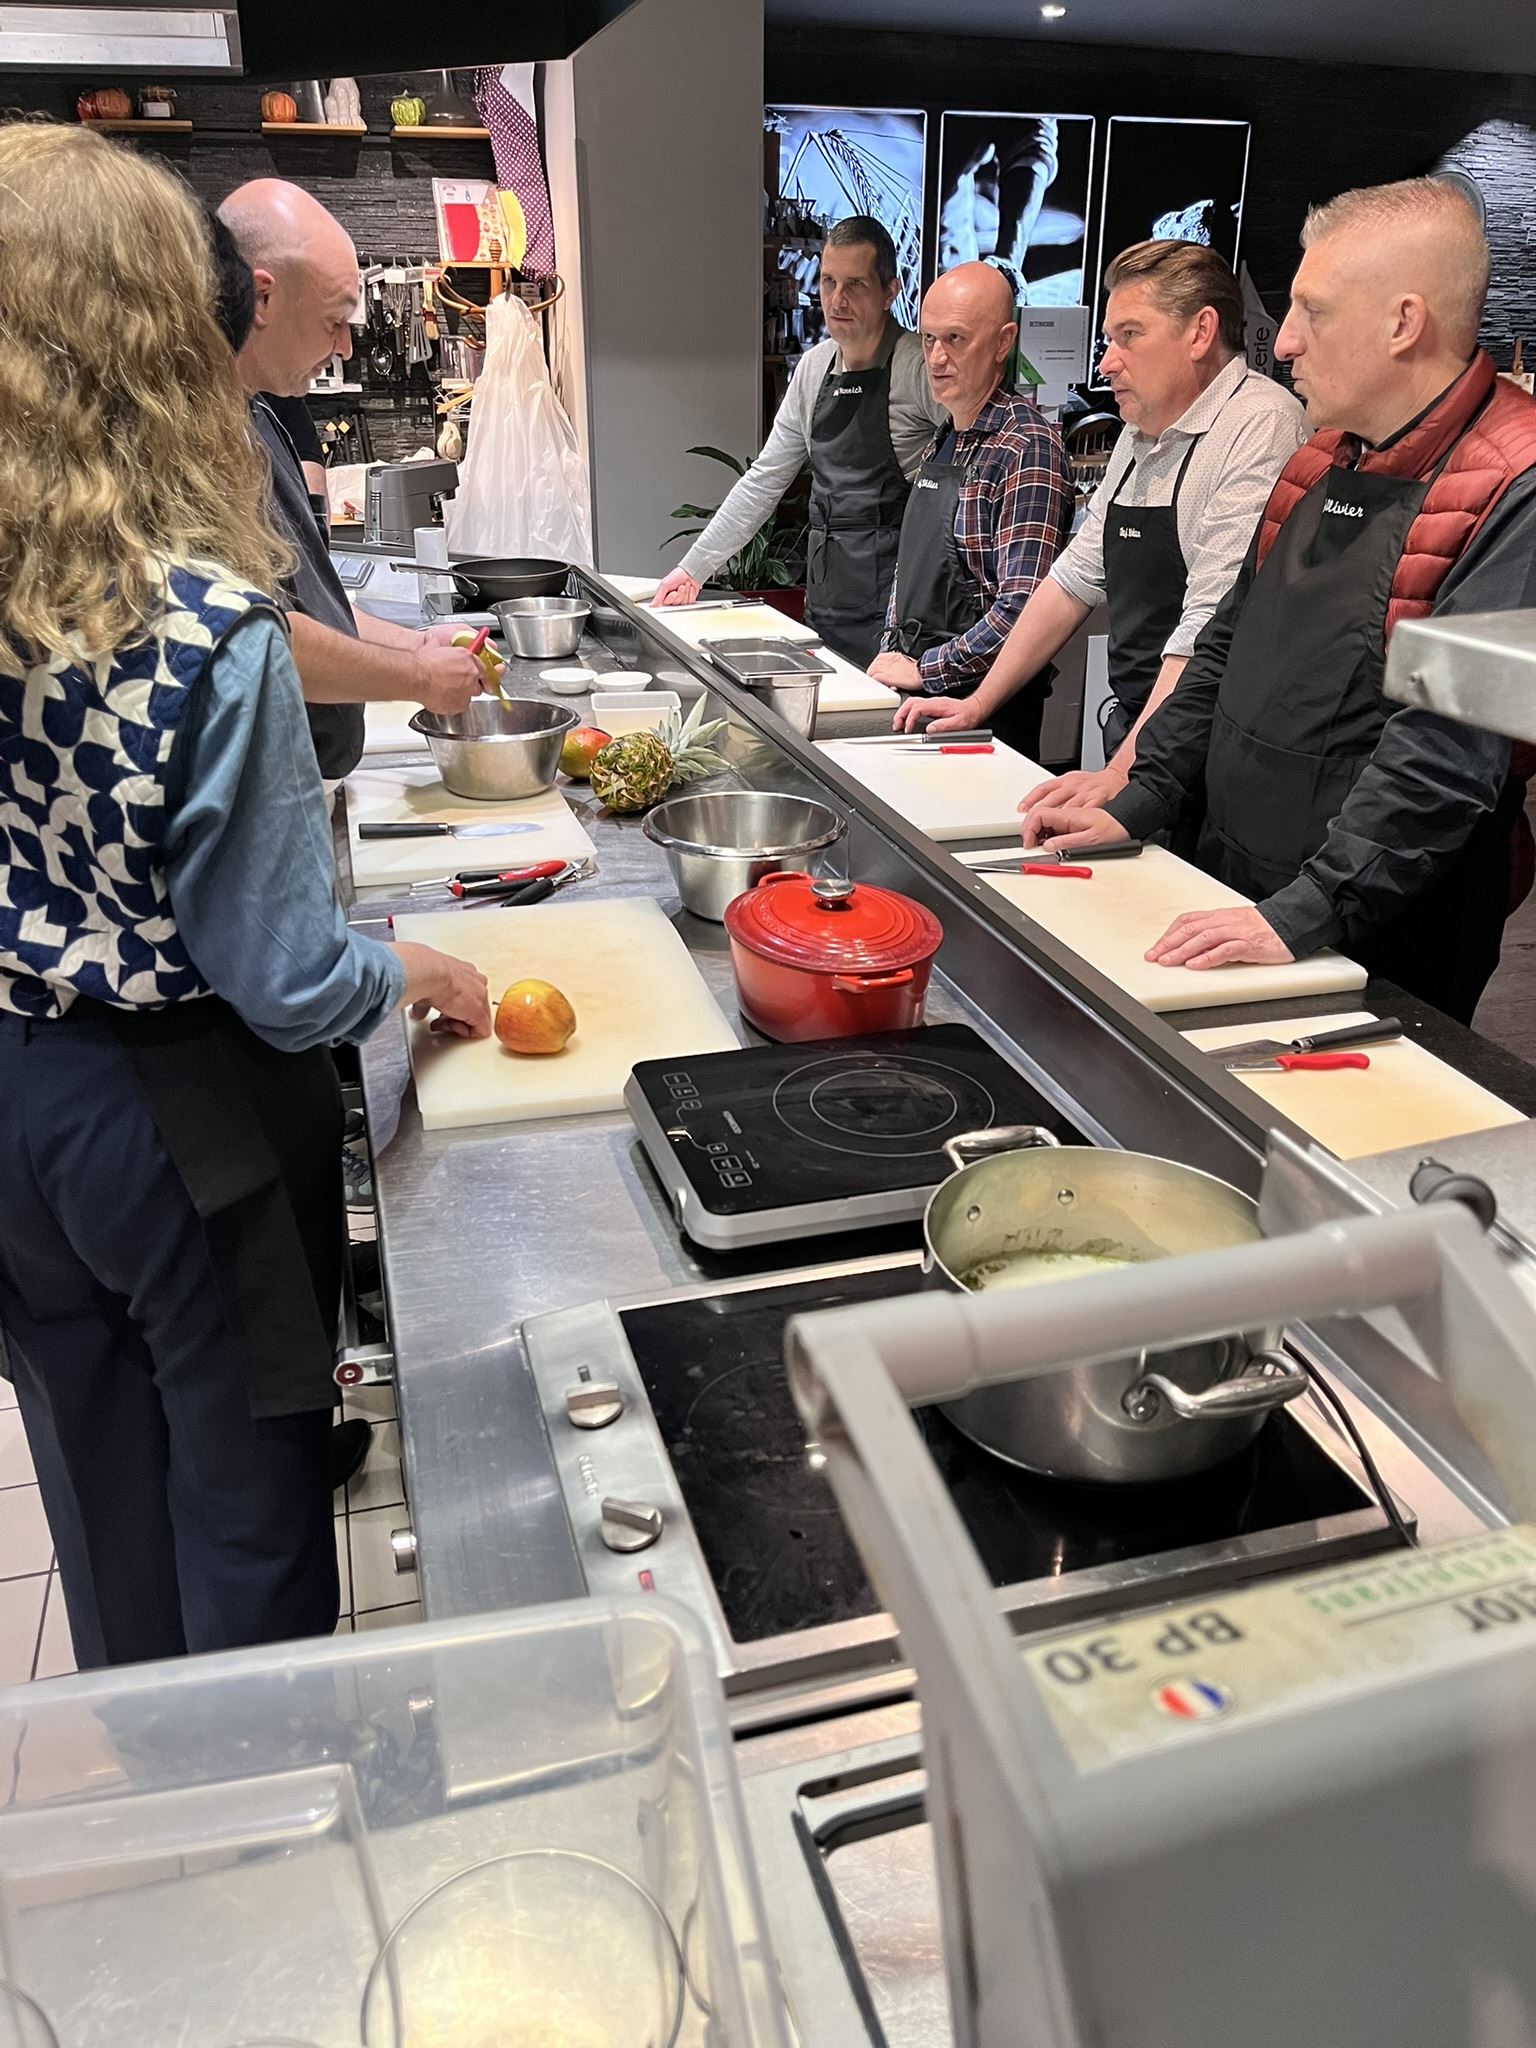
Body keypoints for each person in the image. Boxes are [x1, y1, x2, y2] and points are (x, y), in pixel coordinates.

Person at [0, 122, 491, 1667]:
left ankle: (161, 1768)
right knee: (249, 1494)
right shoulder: (210, 628)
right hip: (183, 1120)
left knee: (99, 1467)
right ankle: (282, 1820)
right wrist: (406, 970)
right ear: (168, 332)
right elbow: (281, 974)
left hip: (21, 1096)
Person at [1022, 178, 1536, 1024]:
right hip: (1238, 878)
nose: (1284, 342)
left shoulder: (1517, 484)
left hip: (1378, 925)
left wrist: (1305, 914)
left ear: (1403, 322)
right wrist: (1142, 795)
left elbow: (1446, 753)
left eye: (1312, 312)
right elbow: (1223, 648)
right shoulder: (1318, 456)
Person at [895, 242, 1309, 805]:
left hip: (1205, 748)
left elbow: (1205, 628)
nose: (1107, 362)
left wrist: (1122, 776)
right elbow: (1070, 581)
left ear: (1200, 331)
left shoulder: (1260, 424)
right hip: (1139, 729)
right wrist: (976, 703)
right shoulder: (1139, 435)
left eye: (1128, 336)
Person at [217, 179, 489, 789]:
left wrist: (416, 646)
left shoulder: (258, 416)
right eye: (334, 321)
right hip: (260, 795)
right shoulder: (195, 444)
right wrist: (416, 679)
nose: (343, 345)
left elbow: (310, 607)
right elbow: (262, 636)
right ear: (263, 296)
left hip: (303, 782)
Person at [653, 216, 945, 667]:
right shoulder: (813, 369)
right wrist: (692, 569)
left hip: (900, 621)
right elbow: (764, 480)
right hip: (827, 606)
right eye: (828, 282)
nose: (837, 300)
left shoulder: (919, 369)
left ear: (891, 289)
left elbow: (964, 489)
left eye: (855, 284)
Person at [868, 262, 1074, 760]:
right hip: (917, 696)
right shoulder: (944, 440)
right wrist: (891, 647)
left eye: (956, 339)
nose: (936, 357)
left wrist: (927, 669)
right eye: (928, 338)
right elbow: (911, 569)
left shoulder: (1026, 448)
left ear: (1004, 342)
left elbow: (1023, 609)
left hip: (987, 714)